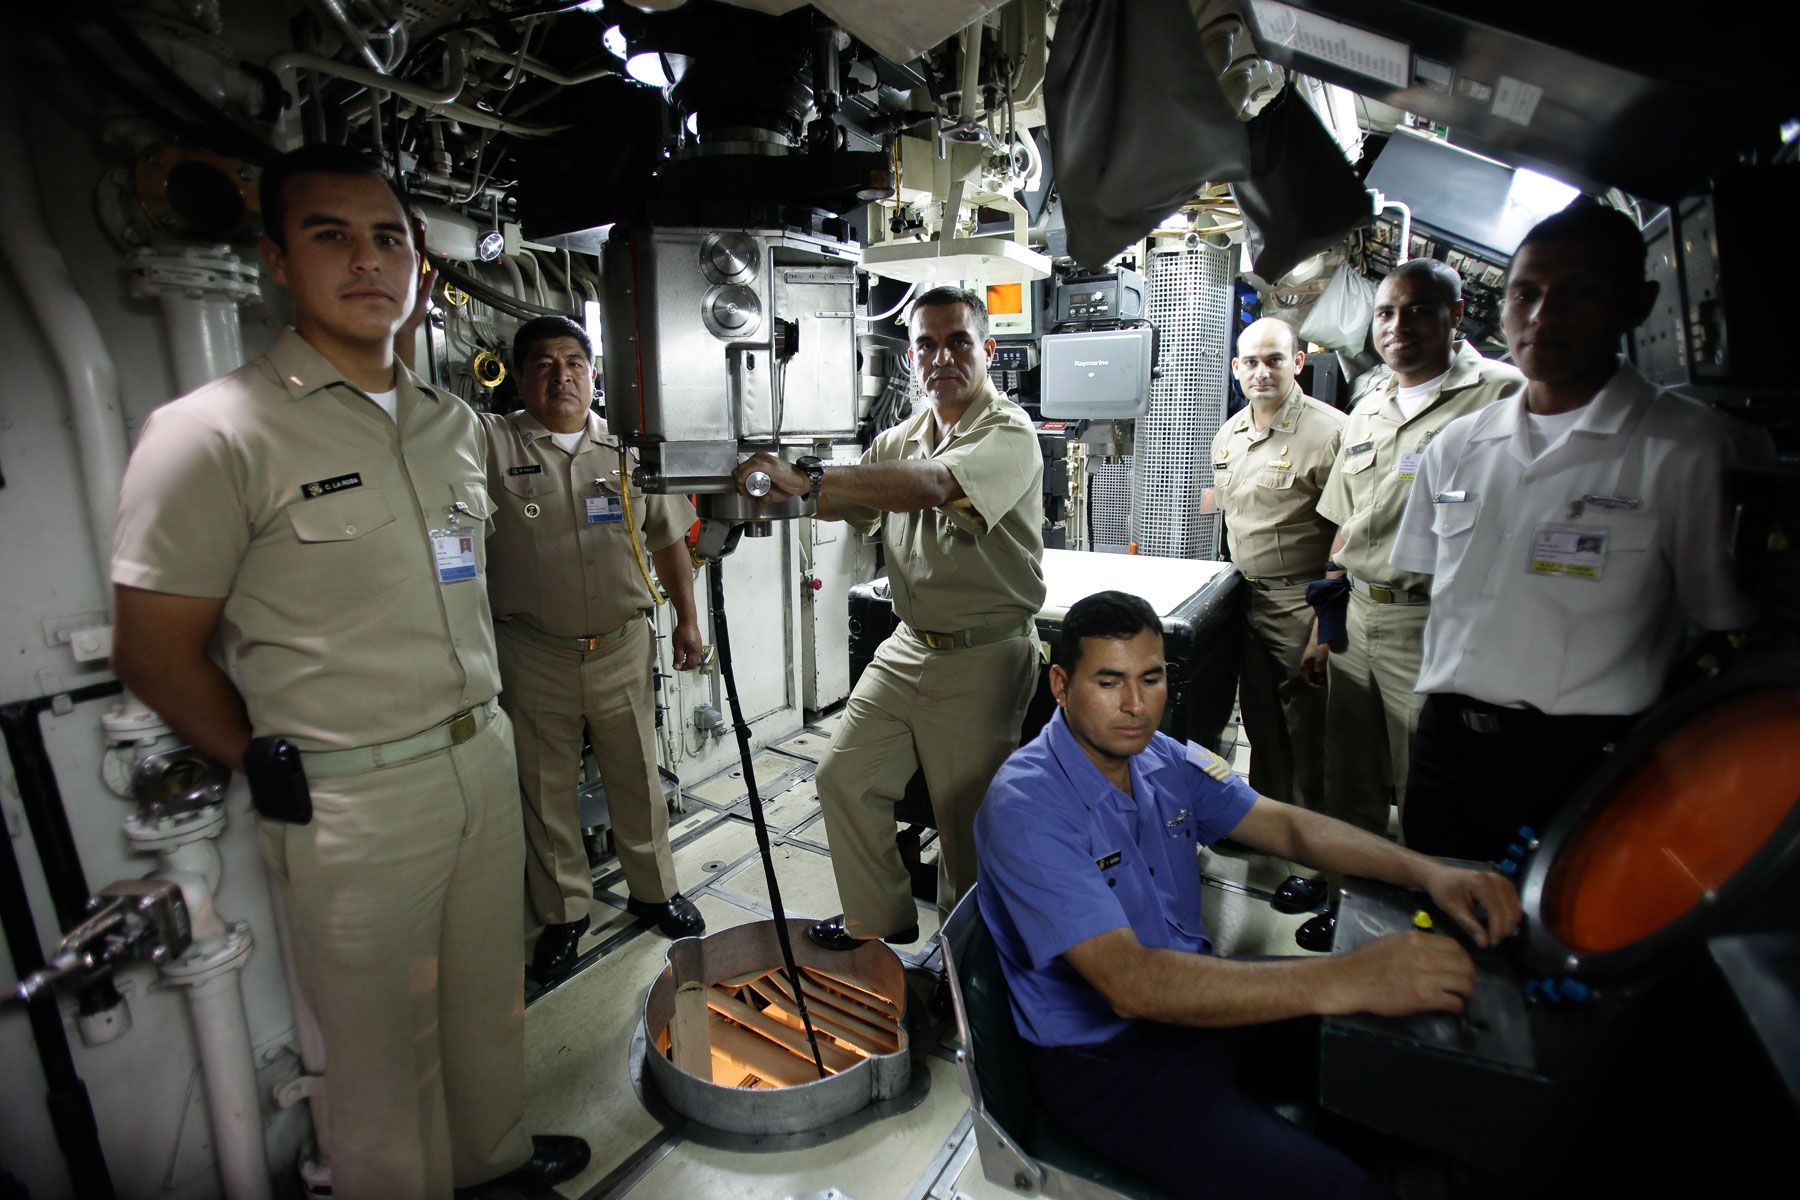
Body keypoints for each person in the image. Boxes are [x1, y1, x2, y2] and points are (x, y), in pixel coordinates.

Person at [109, 145, 587, 1197]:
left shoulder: (453, 425)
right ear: (278, 260)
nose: (367, 260)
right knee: (378, 1063)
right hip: (352, 794)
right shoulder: (211, 434)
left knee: (485, 1002)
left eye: (387, 237)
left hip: (479, 754)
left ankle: (493, 1166)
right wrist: (250, 751)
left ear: (417, 259)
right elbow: (150, 648)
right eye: (331, 235)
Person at [975, 590, 1520, 1199]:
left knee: (1409, 1062)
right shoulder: (1027, 806)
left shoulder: (1163, 759)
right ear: (1060, 683)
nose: (1135, 705)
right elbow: (1132, 985)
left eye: (1151, 679)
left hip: (1199, 1005)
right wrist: (1352, 977)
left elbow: (1288, 826)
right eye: (1109, 682)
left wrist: (1429, 873)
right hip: (1112, 1066)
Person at [1390, 202, 1757, 858]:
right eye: (1525, 293)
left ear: (1637, 306)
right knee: (1440, 927)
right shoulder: (1458, 445)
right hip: (1450, 745)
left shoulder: (1684, 448)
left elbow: (1719, 615)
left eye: (1579, 294)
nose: (1542, 316)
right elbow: (1428, 577)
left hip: (1589, 760)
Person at [735, 285, 1045, 950]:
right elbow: (842, 505)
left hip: (985, 654)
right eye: (927, 344)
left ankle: (966, 970)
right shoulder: (897, 439)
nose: (942, 356)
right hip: (910, 646)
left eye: (958, 340)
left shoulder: (1009, 432)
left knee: (967, 830)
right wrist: (754, 483)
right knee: (843, 777)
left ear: (987, 350)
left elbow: (933, 485)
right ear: (911, 359)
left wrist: (810, 478)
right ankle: (880, 925)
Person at [1290, 259, 1524, 949]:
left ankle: (1425, 920)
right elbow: (1342, 530)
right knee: (1350, 779)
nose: (1399, 327)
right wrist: (1320, 628)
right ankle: (1351, 905)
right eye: (1387, 313)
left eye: (1419, 311)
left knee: (1424, 789)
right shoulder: (1370, 406)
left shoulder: (1500, 395)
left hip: (1434, 621)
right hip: (1357, 616)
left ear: (1456, 317)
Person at [483, 316, 706, 983]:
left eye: (575, 362)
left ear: (594, 372)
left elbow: (668, 539)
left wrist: (688, 622)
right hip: (532, 650)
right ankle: (564, 913)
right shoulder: (490, 445)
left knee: (636, 769)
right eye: (545, 365)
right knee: (545, 788)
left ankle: (654, 890)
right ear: (520, 377)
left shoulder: (628, 448)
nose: (563, 377)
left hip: (620, 644)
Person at [1208, 316, 1342, 897]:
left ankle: (1318, 860)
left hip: (1302, 600)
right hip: (1246, 598)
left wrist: (1325, 624)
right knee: (1261, 724)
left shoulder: (1330, 433)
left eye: (1274, 361)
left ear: (1298, 363)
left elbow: (1346, 535)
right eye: (1251, 362)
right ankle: (1269, 829)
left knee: (1310, 730)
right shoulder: (1231, 434)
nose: (1262, 372)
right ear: (1236, 368)